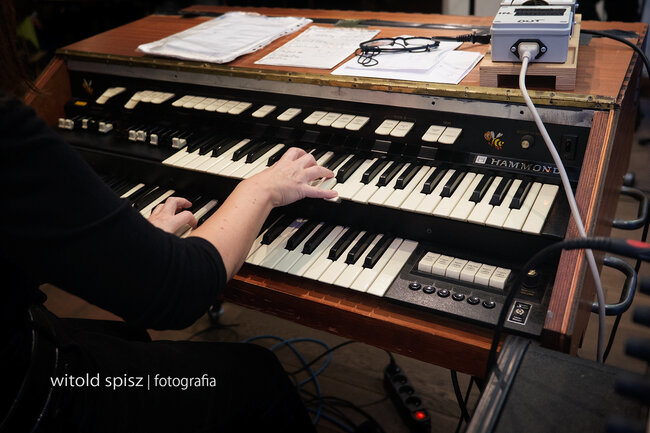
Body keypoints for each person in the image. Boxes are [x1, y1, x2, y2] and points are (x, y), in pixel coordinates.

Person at [0, 1, 338, 431]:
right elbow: (181, 291)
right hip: (29, 396)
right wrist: (262, 187)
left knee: (124, 337)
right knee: (258, 375)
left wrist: (133, 247)